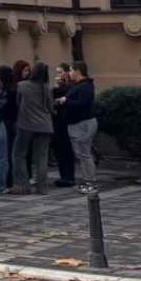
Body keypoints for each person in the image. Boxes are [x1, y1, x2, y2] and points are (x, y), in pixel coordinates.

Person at [12, 62, 54, 194]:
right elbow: (50, 107)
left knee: (19, 154)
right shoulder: (47, 88)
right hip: (45, 125)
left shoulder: (22, 85)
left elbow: (17, 103)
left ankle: (23, 185)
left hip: (26, 124)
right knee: (41, 158)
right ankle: (42, 187)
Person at [58, 62, 98, 194]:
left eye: (70, 70)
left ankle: (91, 182)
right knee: (81, 154)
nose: (69, 73)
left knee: (85, 154)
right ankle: (87, 181)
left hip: (83, 124)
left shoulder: (86, 86)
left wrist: (66, 101)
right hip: (75, 124)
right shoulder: (76, 86)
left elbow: (83, 103)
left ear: (78, 71)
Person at [51, 63, 76, 188]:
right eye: (57, 72)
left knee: (66, 149)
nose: (58, 75)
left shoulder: (70, 86)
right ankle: (63, 176)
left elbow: (63, 95)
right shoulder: (60, 86)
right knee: (59, 149)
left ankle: (69, 176)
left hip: (65, 121)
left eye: (60, 72)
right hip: (57, 120)